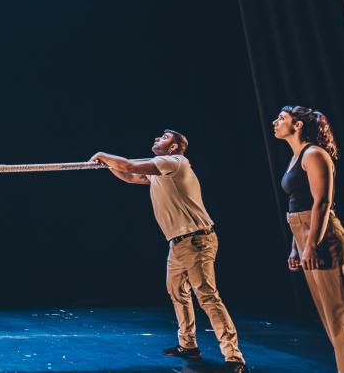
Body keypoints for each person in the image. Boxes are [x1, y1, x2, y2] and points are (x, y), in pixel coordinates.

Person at [91, 131, 248, 373]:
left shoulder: (174, 162)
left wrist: (103, 154)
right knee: (178, 292)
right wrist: (109, 164)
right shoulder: (161, 171)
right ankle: (188, 345)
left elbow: (129, 165)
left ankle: (234, 356)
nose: (156, 139)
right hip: (178, 243)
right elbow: (130, 176)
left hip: (196, 240)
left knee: (207, 297)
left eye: (163, 137)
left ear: (174, 147)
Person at [273, 106, 344, 372]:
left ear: (298, 125)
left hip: (326, 240)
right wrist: (296, 247)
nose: (275, 122)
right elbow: (298, 204)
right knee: (333, 319)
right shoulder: (297, 156)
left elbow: (322, 203)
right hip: (305, 235)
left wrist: (311, 245)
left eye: (282, 118)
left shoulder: (314, 153)